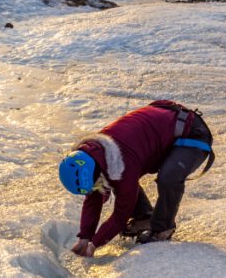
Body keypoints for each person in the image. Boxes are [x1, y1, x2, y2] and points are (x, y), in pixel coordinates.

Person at [58, 100, 214, 258]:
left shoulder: (120, 163)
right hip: (164, 126)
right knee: (117, 181)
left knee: (167, 178)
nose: (96, 189)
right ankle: (144, 217)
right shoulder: (94, 157)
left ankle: (162, 228)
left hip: (192, 133)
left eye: (95, 184)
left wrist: (95, 244)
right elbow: (95, 195)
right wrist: (85, 237)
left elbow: (121, 215)